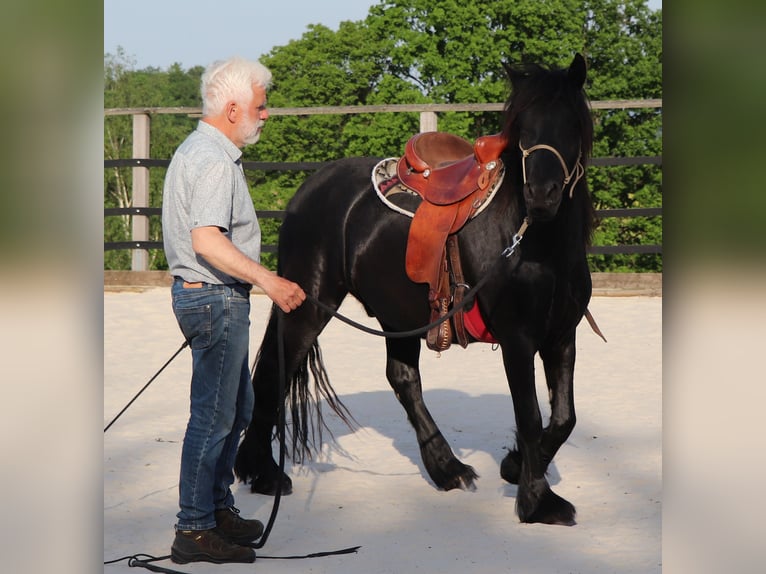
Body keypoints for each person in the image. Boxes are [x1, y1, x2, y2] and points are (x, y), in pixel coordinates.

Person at [161, 56, 306, 565]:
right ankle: (195, 528)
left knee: (235, 410)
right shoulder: (215, 160)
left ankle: (216, 509)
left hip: (209, 297)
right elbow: (206, 240)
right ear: (231, 108)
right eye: (260, 107)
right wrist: (269, 279)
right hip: (215, 297)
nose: (265, 115)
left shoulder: (200, 150)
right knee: (215, 417)